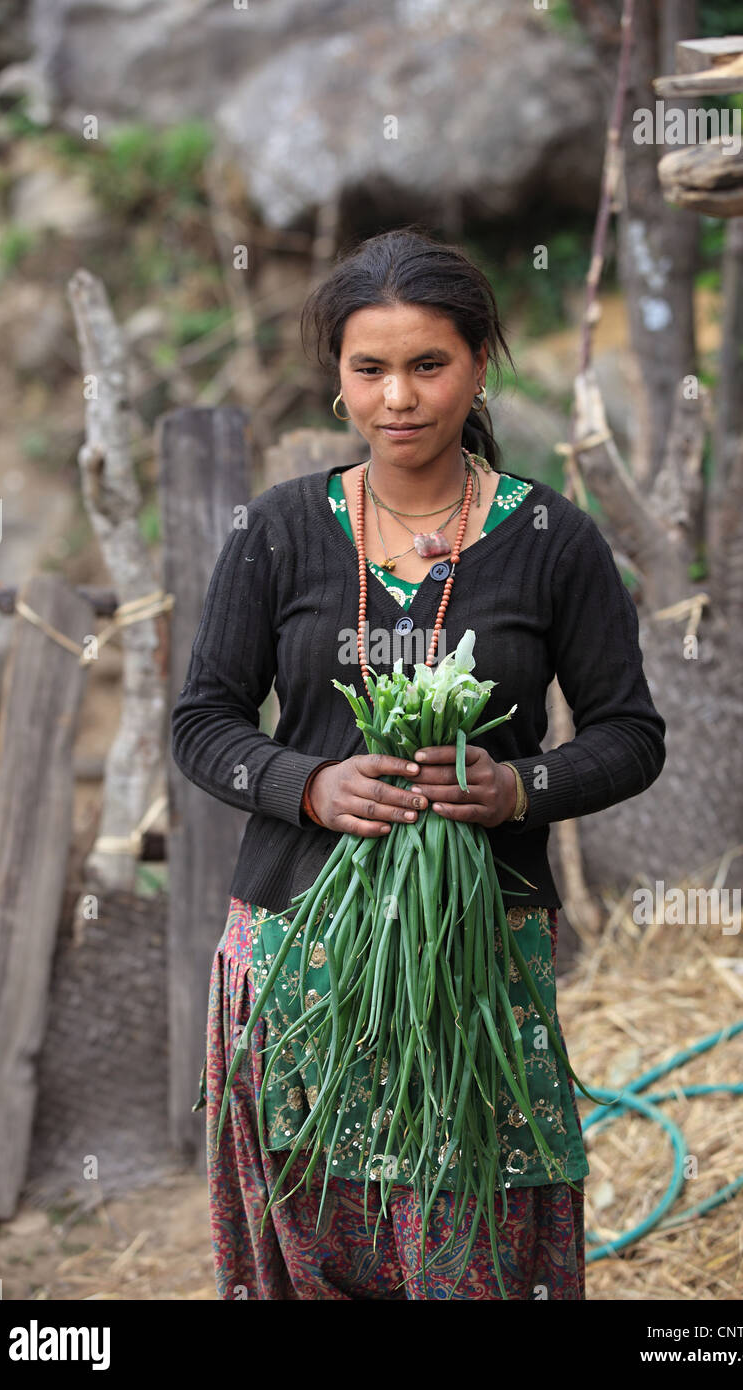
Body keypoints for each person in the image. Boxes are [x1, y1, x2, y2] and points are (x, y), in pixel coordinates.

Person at [171, 224, 667, 1301]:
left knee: (471, 1211)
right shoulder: (279, 530)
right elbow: (202, 720)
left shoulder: (551, 538)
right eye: (369, 368)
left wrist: (514, 788)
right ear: (339, 379)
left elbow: (629, 735)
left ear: (479, 361)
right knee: (312, 1219)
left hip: (479, 942)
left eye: (427, 364)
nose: (398, 395)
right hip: (297, 940)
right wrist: (307, 782)